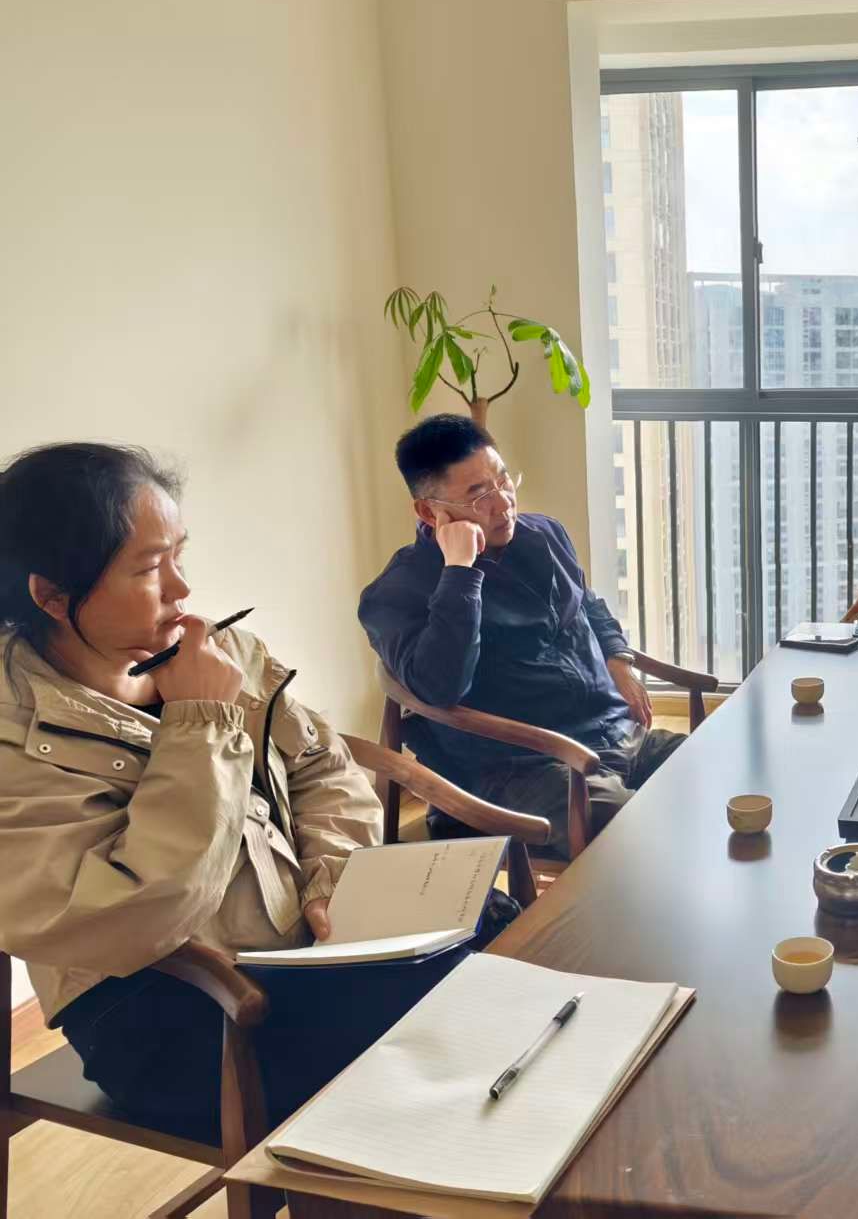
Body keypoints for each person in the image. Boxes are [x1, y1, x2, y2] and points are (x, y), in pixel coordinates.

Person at [0, 443, 404, 1142]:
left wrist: (331, 877)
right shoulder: (17, 735)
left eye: (178, 555)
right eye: (149, 568)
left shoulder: (215, 652)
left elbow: (321, 767)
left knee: (490, 935)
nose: (181, 589)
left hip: (296, 947)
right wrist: (202, 723)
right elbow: (138, 918)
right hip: (158, 1010)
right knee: (415, 1048)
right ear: (52, 597)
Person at [358, 414, 682, 852]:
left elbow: (586, 601)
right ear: (429, 511)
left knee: (719, 773)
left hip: (612, 733)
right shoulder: (396, 593)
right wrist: (459, 572)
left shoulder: (544, 534)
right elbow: (440, 686)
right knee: (644, 834)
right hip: (522, 768)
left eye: (504, 479)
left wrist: (618, 659)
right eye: (479, 495)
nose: (504, 503)